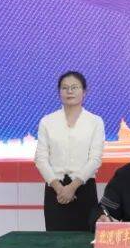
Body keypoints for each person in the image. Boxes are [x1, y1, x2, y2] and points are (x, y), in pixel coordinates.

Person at [34, 71, 106, 231]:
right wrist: (59, 189)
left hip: (84, 187)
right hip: (55, 190)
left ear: (84, 91)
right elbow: (40, 159)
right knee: (55, 239)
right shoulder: (47, 121)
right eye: (65, 88)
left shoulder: (95, 121)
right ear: (59, 92)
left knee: (85, 239)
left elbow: (95, 159)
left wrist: (72, 187)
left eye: (75, 87)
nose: (70, 91)